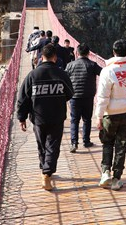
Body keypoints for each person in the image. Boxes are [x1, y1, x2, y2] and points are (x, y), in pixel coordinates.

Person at [16, 43, 73, 191]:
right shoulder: (61, 74)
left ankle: (44, 169)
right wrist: (57, 98)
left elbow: (23, 98)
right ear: (55, 57)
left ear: (42, 57)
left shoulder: (32, 75)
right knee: (53, 146)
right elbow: (70, 93)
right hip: (56, 116)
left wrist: (21, 118)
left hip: (38, 117)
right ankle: (47, 172)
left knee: (41, 145)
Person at [94, 39, 126, 191]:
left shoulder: (107, 71)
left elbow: (102, 96)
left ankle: (105, 172)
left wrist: (99, 116)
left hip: (110, 113)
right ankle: (116, 179)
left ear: (113, 52)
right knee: (121, 146)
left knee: (107, 142)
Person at [65, 43, 101, 153]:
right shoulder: (92, 65)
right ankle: (86, 141)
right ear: (89, 53)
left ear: (77, 53)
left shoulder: (70, 65)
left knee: (74, 120)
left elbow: (65, 78)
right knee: (87, 119)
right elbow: (103, 73)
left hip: (74, 96)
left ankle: (74, 143)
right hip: (88, 96)